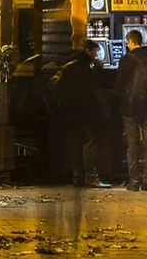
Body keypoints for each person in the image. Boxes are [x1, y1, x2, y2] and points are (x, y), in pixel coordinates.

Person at [51, 40, 111, 187]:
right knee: (89, 143)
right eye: (95, 52)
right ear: (88, 51)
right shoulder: (87, 67)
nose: (96, 55)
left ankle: (77, 176)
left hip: (69, 111)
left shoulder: (67, 65)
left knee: (74, 144)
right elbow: (95, 90)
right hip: (86, 111)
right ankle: (90, 177)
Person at [117, 30, 147, 191]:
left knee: (132, 144)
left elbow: (119, 85)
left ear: (130, 42)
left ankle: (134, 181)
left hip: (130, 108)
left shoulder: (126, 60)